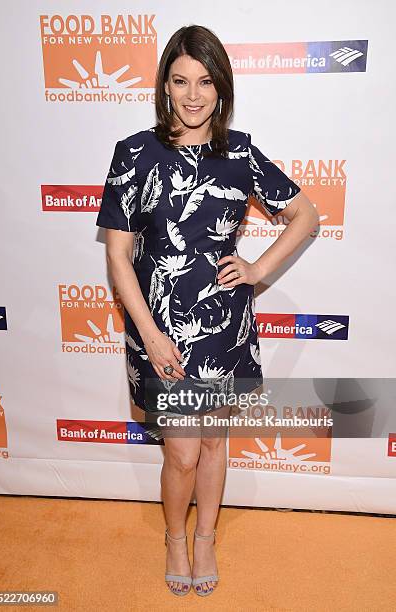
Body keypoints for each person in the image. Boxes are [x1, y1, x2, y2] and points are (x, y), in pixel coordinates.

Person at [96, 24, 319, 597]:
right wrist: (149, 335)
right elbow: (119, 258)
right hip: (158, 325)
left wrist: (259, 270)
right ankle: (175, 536)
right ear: (164, 86)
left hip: (224, 326)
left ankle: (206, 539)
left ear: (221, 88)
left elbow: (306, 215)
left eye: (205, 82)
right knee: (182, 451)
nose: (193, 95)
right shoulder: (135, 154)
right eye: (180, 81)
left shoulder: (239, 152)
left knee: (214, 443)